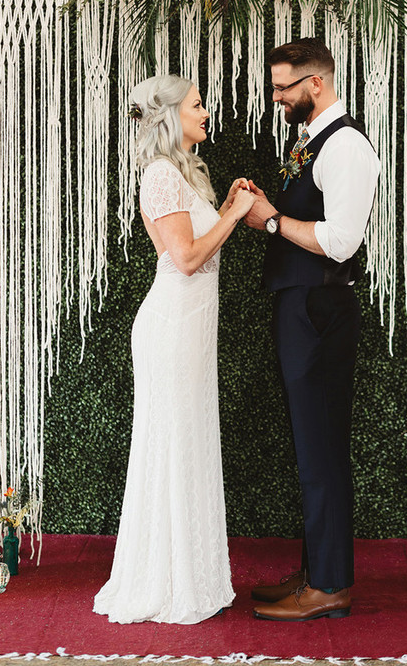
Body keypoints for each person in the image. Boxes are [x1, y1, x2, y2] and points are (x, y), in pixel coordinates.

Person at [93, 74, 254, 625]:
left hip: (190, 327)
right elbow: (184, 259)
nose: (206, 112)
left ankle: (191, 574)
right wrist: (234, 216)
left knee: (188, 441)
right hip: (171, 327)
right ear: (170, 117)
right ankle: (165, 578)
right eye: (197, 104)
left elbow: (195, 248)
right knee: (172, 442)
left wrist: (226, 205)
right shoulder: (161, 175)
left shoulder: (182, 174)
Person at [244, 38, 380, 621]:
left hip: (321, 310)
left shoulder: (346, 146)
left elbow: (341, 241)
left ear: (315, 84)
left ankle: (329, 585)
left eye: (282, 88)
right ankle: (316, 569)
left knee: (321, 447)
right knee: (310, 445)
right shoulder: (311, 140)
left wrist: (272, 219)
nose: (275, 98)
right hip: (301, 306)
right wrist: (268, 210)